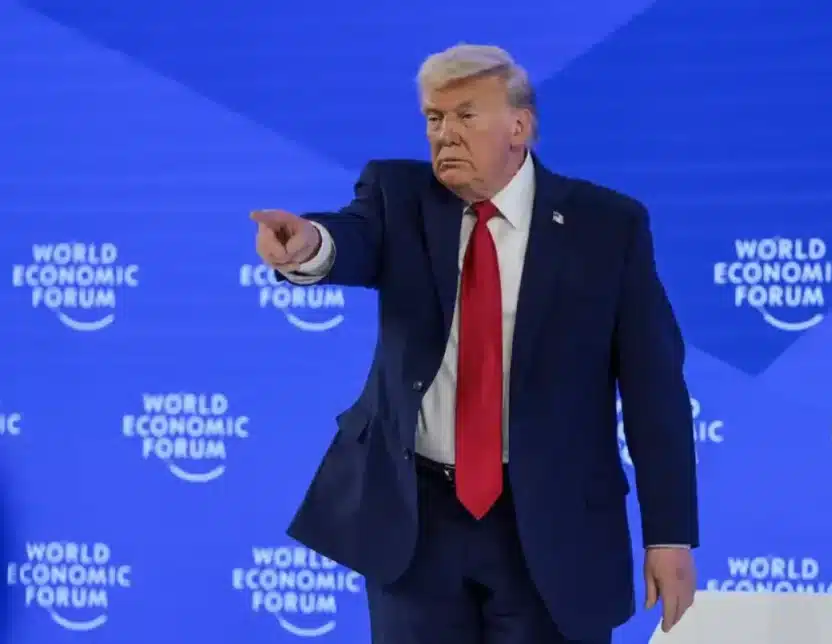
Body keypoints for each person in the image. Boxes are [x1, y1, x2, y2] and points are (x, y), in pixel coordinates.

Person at [252, 44, 698, 644]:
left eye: (466, 114)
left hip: (553, 521)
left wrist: (668, 535)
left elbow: (654, 390)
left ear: (519, 126)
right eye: (434, 118)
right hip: (417, 523)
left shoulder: (607, 226)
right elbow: (349, 240)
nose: (445, 134)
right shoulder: (398, 196)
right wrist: (309, 245)